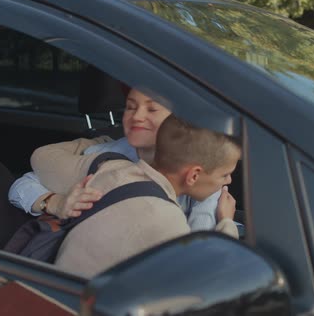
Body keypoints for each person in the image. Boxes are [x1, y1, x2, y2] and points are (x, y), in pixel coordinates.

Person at [8, 88, 232, 230]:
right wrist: (57, 203)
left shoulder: (204, 168)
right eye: (130, 107)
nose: (137, 117)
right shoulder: (107, 155)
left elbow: (200, 245)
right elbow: (23, 185)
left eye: (152, 109)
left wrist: (225, 222)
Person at [53, 114, 241, 277]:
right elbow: (206, 281)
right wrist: (226, 222)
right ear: (193, 175)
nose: (229, 181)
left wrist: (57, 202)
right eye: (224, 174)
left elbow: (43, 160)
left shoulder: (114, 169)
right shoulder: (166, 219)